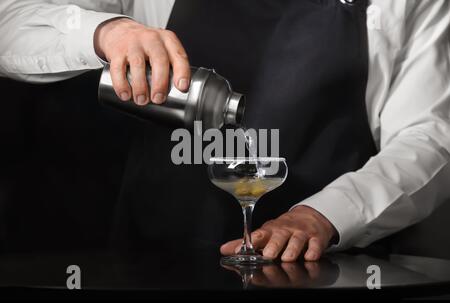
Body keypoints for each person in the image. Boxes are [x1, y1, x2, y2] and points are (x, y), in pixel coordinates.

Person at [0, 0, 449, 262]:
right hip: (150, 260)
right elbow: (10, 26)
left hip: (318, 268)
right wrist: (104, 32)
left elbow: (428, 134)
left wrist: (325, 215)